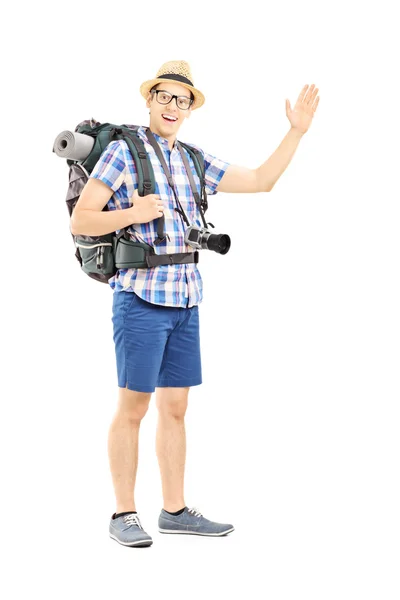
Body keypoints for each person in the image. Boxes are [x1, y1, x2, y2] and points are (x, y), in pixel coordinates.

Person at [71, 60, 319, 548]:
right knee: (133, 406)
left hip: (186, 297)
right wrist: (133, 212)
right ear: (150, 100)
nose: (172, 106)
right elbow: (81, 220)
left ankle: (175, 509)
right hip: (140, 296)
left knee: (177, 407)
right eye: (164, 96)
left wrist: (296, 133)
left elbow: (261, 180)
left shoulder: (192, 159)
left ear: (190, 108)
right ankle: (123, 513)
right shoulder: (123, 152)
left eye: (181, 100)